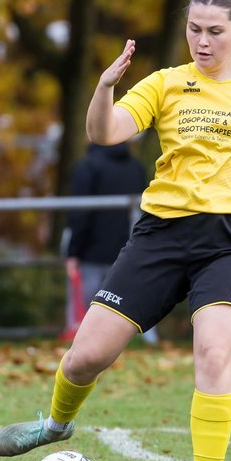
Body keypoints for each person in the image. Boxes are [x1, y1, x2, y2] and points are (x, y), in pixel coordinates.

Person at [0, 0, 231, 461]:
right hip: (160, 237)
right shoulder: (165, 84)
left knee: (213, 352)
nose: (202, 41)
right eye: (194, 29)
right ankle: (55, 425)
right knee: (87, 356)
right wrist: (103, 88)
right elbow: (104, 132)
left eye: (213, 31)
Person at [62, 142, 154, 344]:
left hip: (90, 253)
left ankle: (81, 343)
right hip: (127, 251)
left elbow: (80, 212)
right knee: (124, 303)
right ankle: (140, 341)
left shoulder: (87, 167)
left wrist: (73, 252)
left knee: (85, 307)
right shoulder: (136, 168)